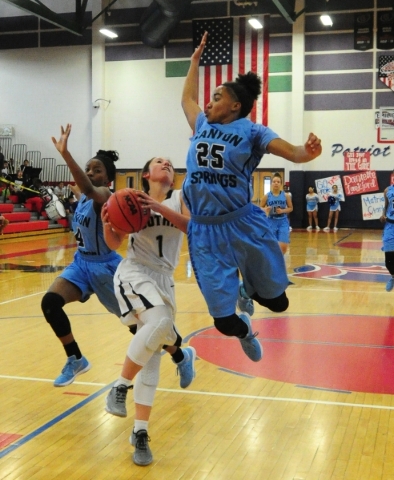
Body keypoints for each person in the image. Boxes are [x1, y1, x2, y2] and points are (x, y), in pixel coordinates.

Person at [181, 31, 322, 356]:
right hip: (205, 230)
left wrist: (308, 152)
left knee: (278, 302)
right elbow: (186, 100)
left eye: (216, 97)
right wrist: (194, 62)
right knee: (222, 321)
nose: (208, 102)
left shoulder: (253, 131)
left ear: (235, 105)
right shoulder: (202, 125)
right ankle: (244, 330)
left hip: (242, 223)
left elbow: (294, 153)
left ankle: (250, 288)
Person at [101, 156, 196, 466]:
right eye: (159, 162)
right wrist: (107, 223)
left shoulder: (181, 197)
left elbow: (190, 228)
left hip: (164, 279)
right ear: (146, 174)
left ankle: (140, 433)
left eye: (170, 163)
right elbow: (115, 243)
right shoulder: (128, 199)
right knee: (160, 321)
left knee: (153, 354)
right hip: (135, 272)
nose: (167, 164)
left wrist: (157, 208)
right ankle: (120, 386)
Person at [41, 124, 124, 387]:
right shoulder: (86, 197)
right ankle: (76, 358)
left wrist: (65, 155)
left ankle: (178, 351)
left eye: (96, 170)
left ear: (108, 180)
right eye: (88, 169)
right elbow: (82, 192)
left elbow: (88, 190)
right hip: (81, 264)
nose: (89, 173)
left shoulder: (104, 196)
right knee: (50, 303)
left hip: (106, 268)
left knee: (135, 325)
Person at [261, 172, 293, 255]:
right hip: (271, 221)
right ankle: (273, 263)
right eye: (274, 181)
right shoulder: (267, 196)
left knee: (283, 246)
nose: (276, 183)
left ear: (281, 184)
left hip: (283, 221)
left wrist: (282, 211)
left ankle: (279, 261)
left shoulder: (286, 195)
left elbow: (291, 208)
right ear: (271, 183)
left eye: (278, 182)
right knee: (272, 245)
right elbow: (260, 208)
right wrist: (265, 209)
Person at [380, 184, 394, 292]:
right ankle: (393, 276)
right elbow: (385, 205)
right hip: (390, 226)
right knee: (388, 261)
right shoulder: (387, 190)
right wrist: (383, 214)